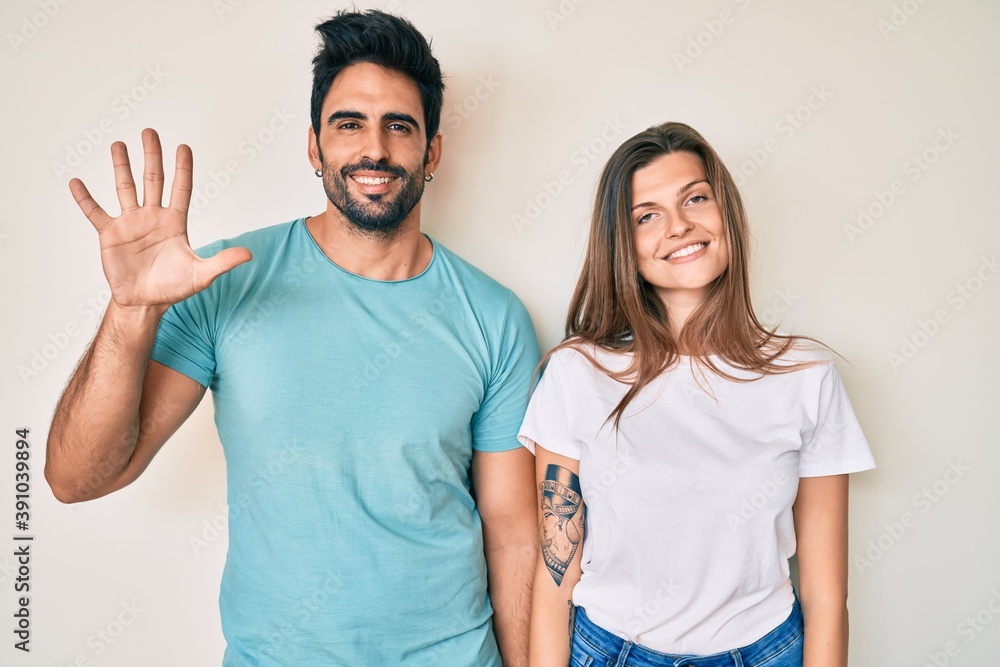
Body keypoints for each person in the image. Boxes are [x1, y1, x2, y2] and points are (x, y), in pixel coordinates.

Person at [44, 10, 538, 666]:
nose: (375, 149)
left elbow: (512, 535)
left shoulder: (494, 318)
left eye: (399, 125)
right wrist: (130, 311)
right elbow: (75, 479)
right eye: (349, 124)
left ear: (433, 152)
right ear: (314, 147)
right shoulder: (224, 282)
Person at [519, 122, 875, 667]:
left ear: (725, 210)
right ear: (623, 244)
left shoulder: (806, 375)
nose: (679, 226)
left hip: (765, 651)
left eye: (695, 199)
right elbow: (554, 581)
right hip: (611, 651)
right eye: (647, 215)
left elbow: (826, 597)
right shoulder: (576, 373)